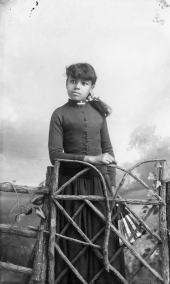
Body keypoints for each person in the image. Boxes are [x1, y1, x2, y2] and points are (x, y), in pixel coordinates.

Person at [48, 63, 125, 284]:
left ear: (91, 86)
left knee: (104, 240)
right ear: (66, 83)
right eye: (73, 81)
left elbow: (108, 151)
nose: (77, 86)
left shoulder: (98, 113)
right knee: (74, 242)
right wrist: (89, 159)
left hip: (99, 186)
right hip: (71, 187)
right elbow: (55, 155)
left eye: (83, 83)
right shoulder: (59, 114)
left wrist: (111, 184)